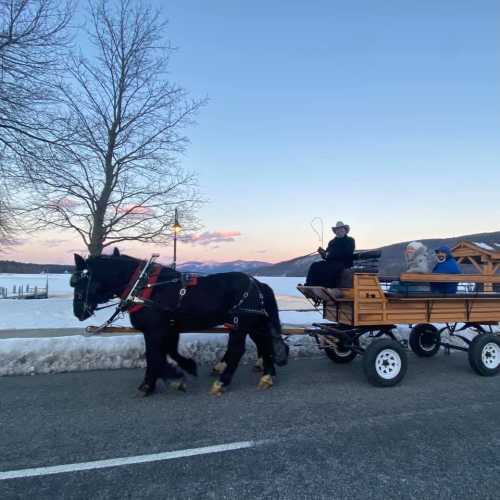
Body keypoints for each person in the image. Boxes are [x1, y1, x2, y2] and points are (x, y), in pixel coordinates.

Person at [305, 221, 355, 287]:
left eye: (341, 229)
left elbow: (347, 252)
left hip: (344, 263)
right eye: (337, 229)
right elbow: (327, 256)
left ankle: (328, 287)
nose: (339, 231)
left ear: (345, 230)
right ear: (335, 231)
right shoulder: (332, 242)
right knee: (315, 265)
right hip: (331, 262)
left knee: (331, 268)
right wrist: (323, 253)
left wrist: (331, 254)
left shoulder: (350, 240)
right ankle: (309, 284)